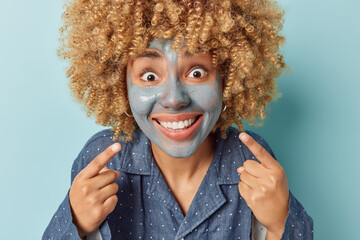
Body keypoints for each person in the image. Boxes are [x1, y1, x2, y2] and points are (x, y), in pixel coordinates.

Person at [43, 0, 313, 239]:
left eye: (196, 72)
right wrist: (75, 223)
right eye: (150, 76)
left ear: (227, 79)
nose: (174, 99)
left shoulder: (252, 160)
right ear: (119, 84)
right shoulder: (101, 159)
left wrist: (280, 224)